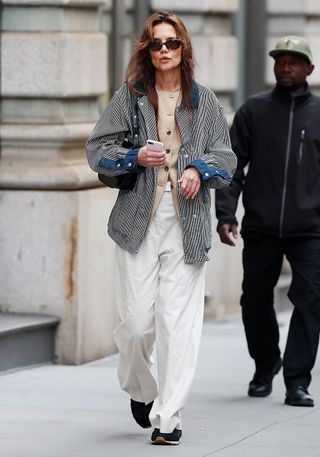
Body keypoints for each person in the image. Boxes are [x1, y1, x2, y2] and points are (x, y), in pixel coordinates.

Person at [86, 10, 236, 446]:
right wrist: (135, 158)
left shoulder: (204, 100)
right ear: (147, 51)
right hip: (138, 221)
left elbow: (226, 159)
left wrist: (199, 170)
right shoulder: (130, 97)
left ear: (184, 48)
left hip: (186, 223)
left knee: (178, 325)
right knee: (135, 324)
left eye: (172, 43)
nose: (165, 50)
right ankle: (142, 389)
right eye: (157, 44)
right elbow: (97, 148)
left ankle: (168, 418)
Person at [215, 35, 320, 408]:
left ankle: (296, 381)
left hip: (310, 230)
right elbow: (231, 165)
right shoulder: (254, 111)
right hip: (260, 226)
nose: (286, 67)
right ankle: (265, 366)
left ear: (309, 68)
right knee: (254, 301)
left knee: (310, 300)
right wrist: (226, 212)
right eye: (280, 61)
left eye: (294, 61)